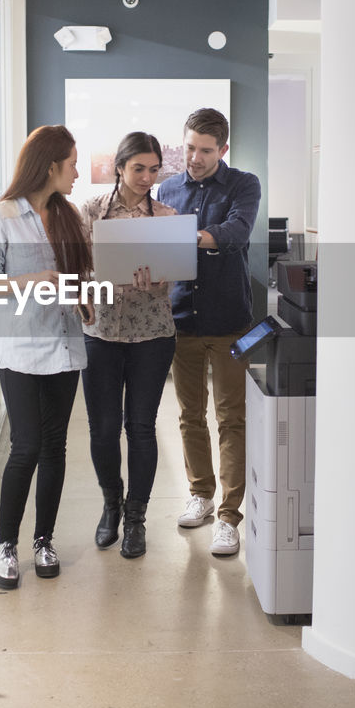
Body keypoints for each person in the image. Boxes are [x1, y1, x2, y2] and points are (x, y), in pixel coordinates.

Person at [0, 125, 93, 589]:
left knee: (55, 448)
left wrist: (83, 296)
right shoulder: (0, 216)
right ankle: (6, 544)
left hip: (64, 344)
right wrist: (34, 279)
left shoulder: (70, 217)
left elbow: (78, 277)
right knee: (25, 446)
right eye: (72, 164)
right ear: (50, 166)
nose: (77, 173)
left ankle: (43, 540)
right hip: (20, 347)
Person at [155, 108, 261, 556]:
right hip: (182, 319)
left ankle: (229, 517)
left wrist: (183, 236)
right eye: (189, 148)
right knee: (189, 415)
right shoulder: (168, 188)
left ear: (223, 149)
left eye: (205, 150)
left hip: (229, 319)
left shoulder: (243, 184)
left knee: (232, 419)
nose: (194, 158)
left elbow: (235, 232)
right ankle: (200, 494)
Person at [79, 132, 178, 559]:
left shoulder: (167, 216)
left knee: (140, 427)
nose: (147, 177)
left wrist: (158, 286)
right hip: (100, 334)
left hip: (152, 336)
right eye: (139, 168)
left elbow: (168, 284)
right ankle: (110, 505)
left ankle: (136, 516)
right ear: (119, 167)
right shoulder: (89, 213)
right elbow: (76, 270)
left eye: (154, 169)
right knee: (102, 429)